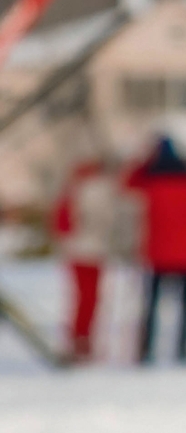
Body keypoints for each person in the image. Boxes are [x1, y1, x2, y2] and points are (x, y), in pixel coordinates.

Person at [124, 136, 186, 364]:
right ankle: (183, 348)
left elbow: (127, 184)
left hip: (156, 253)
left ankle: (147, 350)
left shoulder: (151, 184)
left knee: (151, 306)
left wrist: (145, 161)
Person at [50, 154, 117, 361]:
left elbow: (61, 223)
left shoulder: (73, 188)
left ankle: (79, 338)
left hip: (76, 250)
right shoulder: (102, 188)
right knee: (90, 298)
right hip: (93, 251)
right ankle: (83, 339)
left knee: (82, 297)